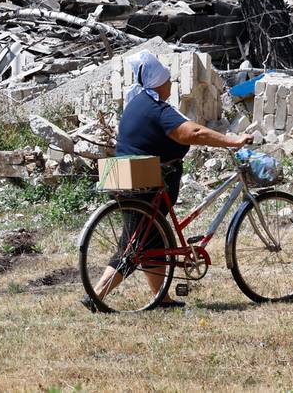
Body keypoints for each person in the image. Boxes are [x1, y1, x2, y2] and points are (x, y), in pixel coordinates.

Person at [83, 51, 250, 312]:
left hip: (125, 177)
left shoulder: (138, 102)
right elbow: (191, 132)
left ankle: (161, 298)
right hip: (146, 182)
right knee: (134, 246)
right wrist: (232, 140)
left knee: (153, 241)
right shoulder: (157, 109)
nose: (171, 84)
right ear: (159, 82)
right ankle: (97, 294)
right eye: (169, 80)